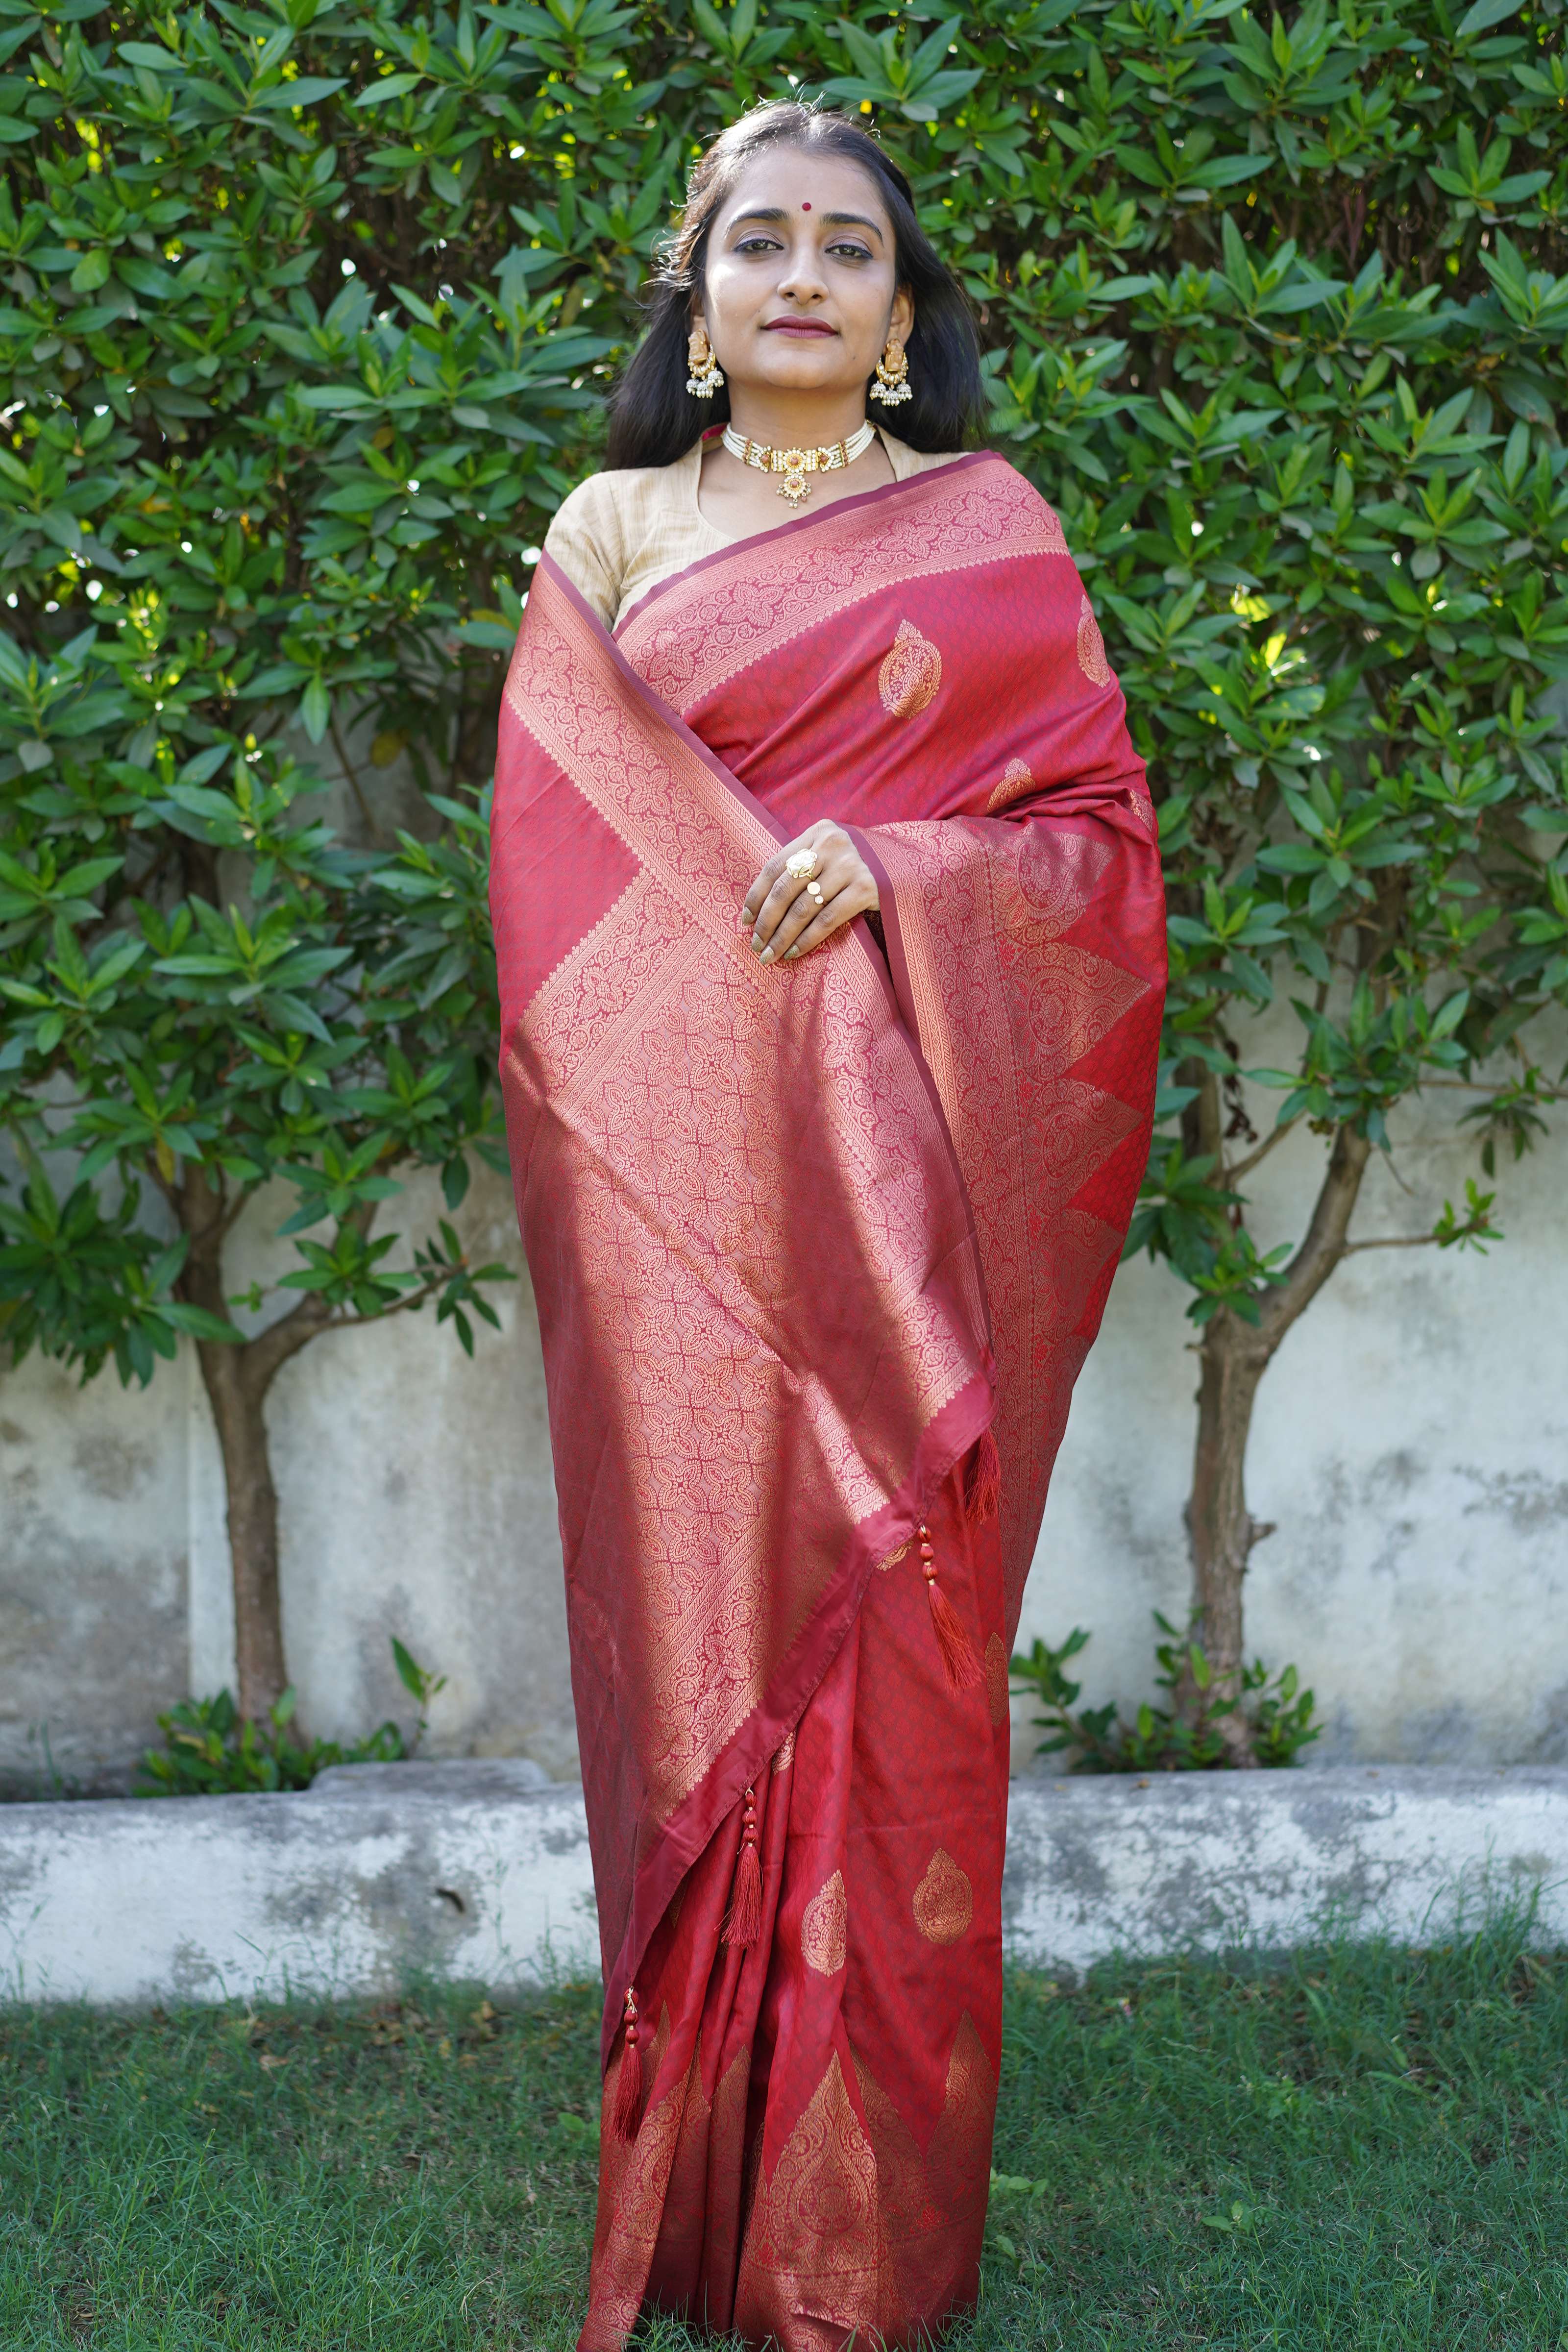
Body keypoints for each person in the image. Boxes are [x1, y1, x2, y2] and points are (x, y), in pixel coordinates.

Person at [490, 99, 1166, 2352]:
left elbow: (1089, 853)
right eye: (754, 240)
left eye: (846, 248)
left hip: (909, 1233)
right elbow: (558, 884)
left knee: (892, 1710)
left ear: (899, 316)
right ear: (692, 293)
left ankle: (857, 2273)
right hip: (681, 1214)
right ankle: (705, 2229)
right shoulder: (605, 528)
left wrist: (907, 868)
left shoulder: (986, 532)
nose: (798, 275)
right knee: (702, 1676)